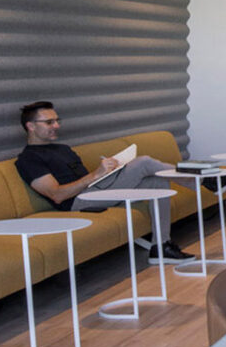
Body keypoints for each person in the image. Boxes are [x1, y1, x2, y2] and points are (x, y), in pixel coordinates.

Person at [14, 101, 194, 263]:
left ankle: (161, 247)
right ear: (30, 126)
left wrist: (110, 170)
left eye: (57, 121)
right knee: (144, 162)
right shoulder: (29, 159)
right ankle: (201, 180)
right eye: (49, 122)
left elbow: (86, 180)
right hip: (76, 202)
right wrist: (96, 174)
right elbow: (57, 195)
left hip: (93, 191)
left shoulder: (62, 149)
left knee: (157, 183)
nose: (56, 126)